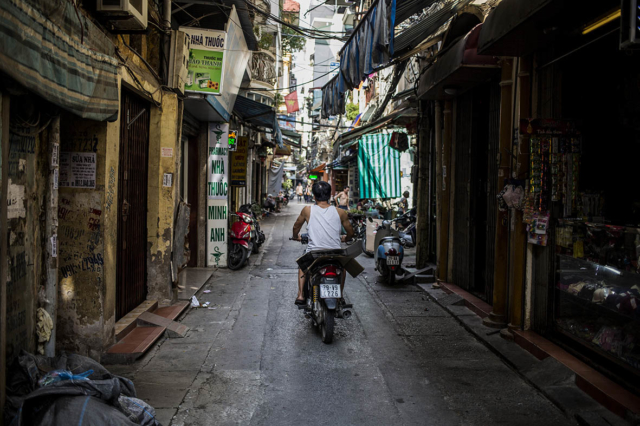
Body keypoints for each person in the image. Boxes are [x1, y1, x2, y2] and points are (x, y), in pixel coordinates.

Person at [292, 181, 354, 305]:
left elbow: (296, 227)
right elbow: (350, 232)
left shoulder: (307, 210)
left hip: (315, 253)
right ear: (329, 195)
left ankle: (300, 295)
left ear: (314, 196)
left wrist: (296, 237)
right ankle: (340, 296)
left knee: (302, 266)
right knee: (343, 269)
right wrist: (345, 238)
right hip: (335, 253)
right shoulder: (340, 212)